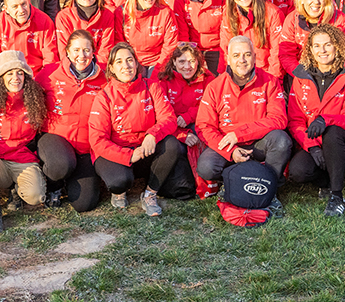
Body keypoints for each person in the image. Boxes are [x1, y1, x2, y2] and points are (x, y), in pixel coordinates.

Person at [194, 36, 291, 211]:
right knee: (206, 167)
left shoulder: (270, 81)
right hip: (228, 144)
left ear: (254, 57)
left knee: (281, 140)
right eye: (236, 55)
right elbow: (204, 126)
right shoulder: (215, 86)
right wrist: (230, 152)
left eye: (247, 55)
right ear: (228, 59)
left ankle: (270, 189)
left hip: (259, 144)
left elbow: (279, 119)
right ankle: (233, 182)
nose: (242, 60)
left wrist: (240, 134)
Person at [89, 43, 182, 215]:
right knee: (120, 181)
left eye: (130, 60)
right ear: (112, 68)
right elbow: (97, 140)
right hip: (117, 151)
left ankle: (149, 194)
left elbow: (169, 118)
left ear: (137, 64)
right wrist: (129, 155)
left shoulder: (151, 86)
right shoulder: (104, 96)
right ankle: (119, 192)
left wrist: (152, 135)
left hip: (145, 148)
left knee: (172, 145)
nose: (126, 66)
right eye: (119, 62)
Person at [286, 25, 345, 217]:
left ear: (337, 46)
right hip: (315, 142)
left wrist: (325, 119)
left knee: (333, 131)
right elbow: (295, 121)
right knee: (298, 171)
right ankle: (325, 181)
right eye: (317, 46)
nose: (322, 50)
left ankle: (336, 196)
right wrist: (311, 146)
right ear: (310, 50)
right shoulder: (300, 77)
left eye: (328, 45)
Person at [0, 50, 49, 232]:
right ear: (1, 77)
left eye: (20, 73)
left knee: (36, 196)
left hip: (23, 159)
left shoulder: (35, 99)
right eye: (10, 73)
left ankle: (16, 189)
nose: (15, 78)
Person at [36, 30, 108, 211]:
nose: (81, 56)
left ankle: (71, 179)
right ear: (67, 52)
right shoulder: (50, 73)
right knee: (61, 164)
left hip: (86, 145)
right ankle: (54, 185)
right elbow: (30, 97)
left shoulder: (105, 78)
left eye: (86, 50)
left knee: (85, 204)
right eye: (76, 50)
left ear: (93, 52)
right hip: (55, 137)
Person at [157, 43, 215, 196]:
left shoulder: (208, 79)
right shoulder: (164, 81)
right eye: (182, 61)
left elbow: (209, 106)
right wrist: (181, 134)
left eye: (191, 61)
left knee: (206, 140)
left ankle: (210, 181)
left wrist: (188, 116)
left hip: (199, 123)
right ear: (174, 62)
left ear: (198, 61)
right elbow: (162, 113)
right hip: (173, 128)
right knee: (178, 148)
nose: (187, 66)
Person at [278, 0, 345, 77]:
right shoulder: (292, 19)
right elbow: (286, 54)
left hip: (333, 76)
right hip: (302, 76)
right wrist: (302, 74)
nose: (316, 1)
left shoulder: (339, 19)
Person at [0, 0, 59, 83]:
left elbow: (50, 60)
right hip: (9, 81)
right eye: (15, 6)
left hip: (36, 79)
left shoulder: (44, 21)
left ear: (29, 1)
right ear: (5, 9)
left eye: (24, 4)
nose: (21, 10)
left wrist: (43, 86)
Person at [220, 0, 283, 77]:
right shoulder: (229, 15)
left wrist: (273, 80)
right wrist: (226, 76)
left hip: (265, 73)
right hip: (240, 74)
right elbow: (225, 48)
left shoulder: (272, 12)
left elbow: (277, 51)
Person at [121, 0, 180, 76]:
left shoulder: (165, 12)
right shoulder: (122, 13)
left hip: (158, 61)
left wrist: (158, 69)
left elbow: (170, 45)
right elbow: (119, 44)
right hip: (132, 62)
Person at [55, 0, 123, 64]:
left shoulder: (107, 15)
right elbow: (64, 51)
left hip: (98, 67)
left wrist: (91, 69)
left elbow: (105, 50)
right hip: (72, 67)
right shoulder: (64, 17)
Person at [174, 0, 226, 73]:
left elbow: (227, 30)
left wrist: (224, 56)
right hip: (193, 48)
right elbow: (182, 32)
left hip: (218, 48)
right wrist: (188, 55)